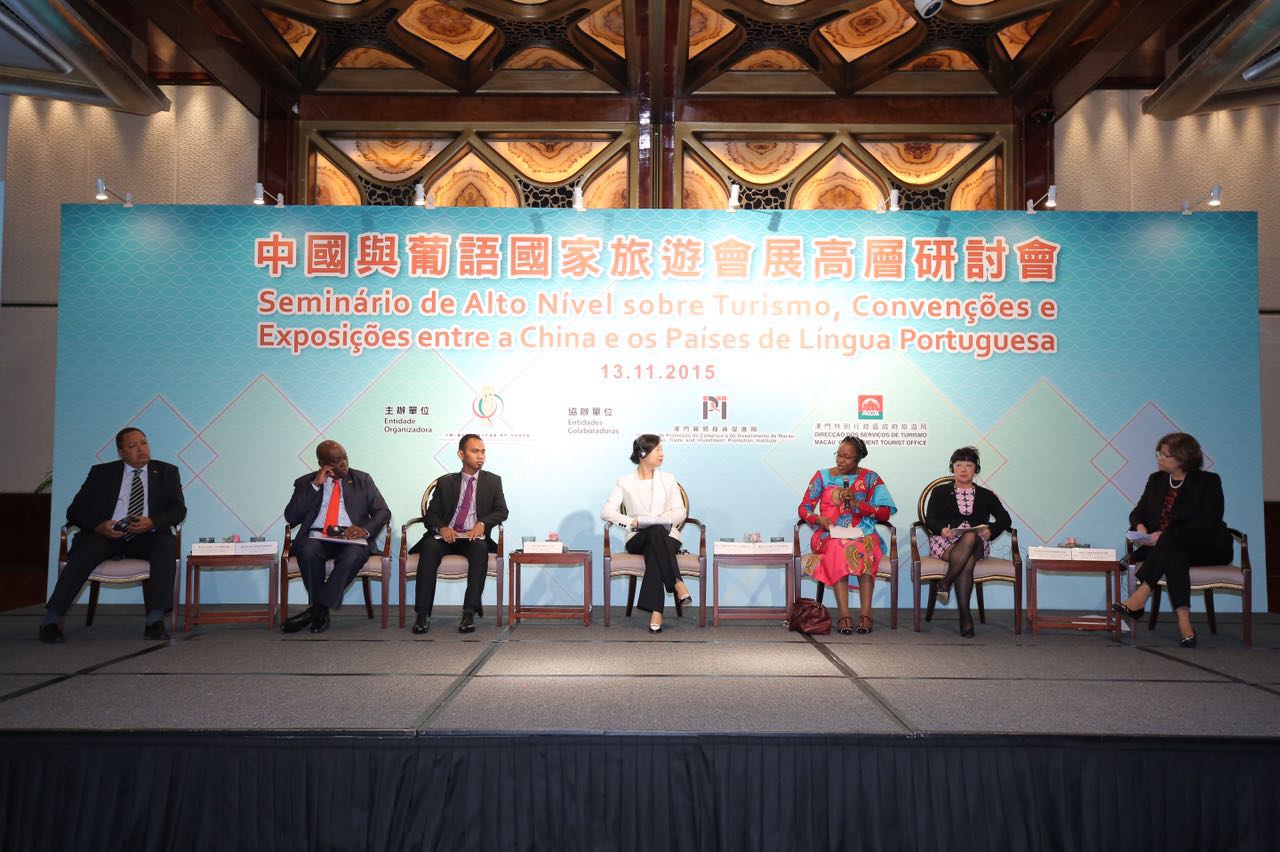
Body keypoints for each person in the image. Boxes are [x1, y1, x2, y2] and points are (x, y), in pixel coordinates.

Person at [40, 427, 187, 643]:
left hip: (147, 536)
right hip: (107, 535)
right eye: (132, 446)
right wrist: (99, 526)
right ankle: (51, 621)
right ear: (121, 452)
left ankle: (155, 621)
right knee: (86, 550)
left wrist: (152, 522)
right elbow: (75, 511)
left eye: (143, 443)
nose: (141, 449)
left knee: (165, 546)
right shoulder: (101, 473)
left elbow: (178, 510)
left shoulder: (167, 472)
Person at [1113, 432, 1232, 648]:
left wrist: (1166, 535)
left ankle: (1141, 595)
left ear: (1182, 458)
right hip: (1170, 549)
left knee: (1171, 539)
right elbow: (1138, 512)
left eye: (1164, 455)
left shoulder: (1208, 482)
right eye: (1158, 453)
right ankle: (1185, 625)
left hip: (1207, 545)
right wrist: (1140, 527)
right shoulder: (1156, 480)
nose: (1159, 458)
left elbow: (1209, 521)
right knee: (1176, 557)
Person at [282, 440, 390, 634]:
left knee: (353, 555)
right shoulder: (306, 482)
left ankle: (317, 611)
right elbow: (292, 517)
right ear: (323, 464)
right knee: (308, 551)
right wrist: (315, 485)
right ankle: (320, 612)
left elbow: (383, 512)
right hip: (317, 536)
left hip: (351, 538)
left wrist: (364, 529)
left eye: (345, 457)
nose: (344, 463)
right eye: (337, 460)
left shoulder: (362, 479)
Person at [797, 435, 896, 635]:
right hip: (829, 535)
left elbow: (885, 513)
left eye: (847, 457)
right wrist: (818, 520)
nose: (840, 460)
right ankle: (844, 615)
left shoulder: (871, 478)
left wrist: (859, 504)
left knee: (864, 546)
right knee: (839, 547)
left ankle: (866, 614)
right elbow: (804, 508)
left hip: (863, 532)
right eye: (839, 455)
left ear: (858, 459)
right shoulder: (822, 476)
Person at [410, 434, 508, 634]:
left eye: (483, 452)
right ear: (461, 454)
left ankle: (469, 612)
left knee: (480, 548)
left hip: (472, 538)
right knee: (429, 547)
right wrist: (441, 528)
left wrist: (482, 524)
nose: (480, 456)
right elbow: (431, 515)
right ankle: (422, 614)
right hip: (446, 537)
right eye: (475, 451)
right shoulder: (445, 483)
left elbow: (502, 511)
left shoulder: (493, 481)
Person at [601, 434, 692, 634]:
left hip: (667, 536)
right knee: (653, 533)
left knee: (655, 542)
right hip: (637, 538)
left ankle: (657, 611)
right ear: (642, 454)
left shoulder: (668, 479)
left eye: (662, 449)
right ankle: (677, 582)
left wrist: (659, 519)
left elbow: (680, 512)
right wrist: (631, 521)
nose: (662, 453)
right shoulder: (625, 482)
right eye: (657, 449)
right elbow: (606, 512)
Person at [922, 446, 1012, 638]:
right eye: (958, 465)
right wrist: (942, 530)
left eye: (969, 465)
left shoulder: (986, 495)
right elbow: (930, 519)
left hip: (977, 543)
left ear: (976, 469)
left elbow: (1005, 519)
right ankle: (965, 616)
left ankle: (945, 583)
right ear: (952, 468)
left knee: (970, 536)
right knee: (967, 560)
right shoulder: (939, 492)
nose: (963, 469)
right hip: (946, 542)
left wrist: (990, 530)